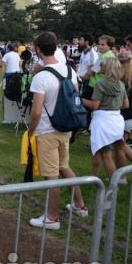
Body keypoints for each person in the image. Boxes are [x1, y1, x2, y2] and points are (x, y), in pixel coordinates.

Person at [28, 32, 87, 230]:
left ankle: (51, 217)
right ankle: (80, 205)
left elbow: (35, 112)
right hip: (66, 128)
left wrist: (30, 131)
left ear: (38, 49)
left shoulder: (41, 76)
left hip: (47, 130)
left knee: (51, 175)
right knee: (64, 167)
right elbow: (75, 96)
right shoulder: (70, 70)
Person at [82, 57, 132, 181]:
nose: (100, 66)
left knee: (106, 154)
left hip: (102, 120)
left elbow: (94, 105)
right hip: (117, 119)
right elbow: (126, 105)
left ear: (107, 68)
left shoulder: (100, 83)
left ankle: (112, 186)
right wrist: (114, 106)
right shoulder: (121, 84)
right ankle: (121, 178)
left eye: (102, 64)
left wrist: (81, 100)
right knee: (119, 149)